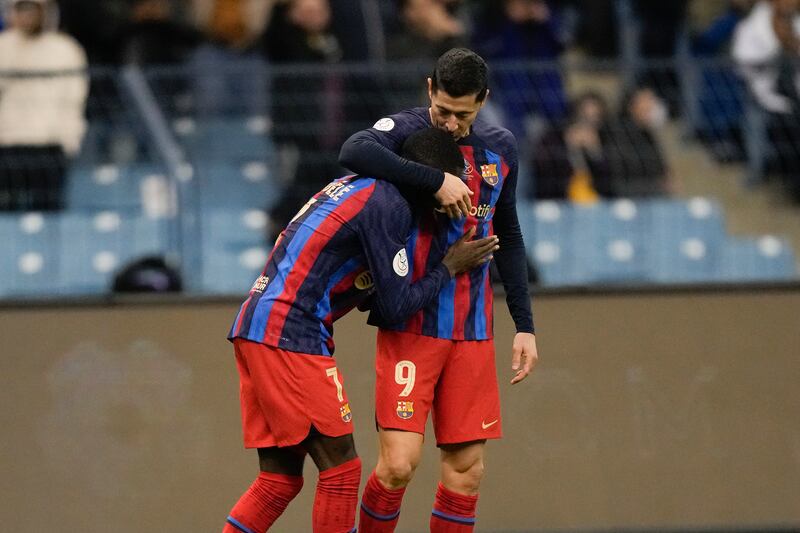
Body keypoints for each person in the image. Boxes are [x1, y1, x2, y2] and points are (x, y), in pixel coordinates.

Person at [222, 127, 500, 533]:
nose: (453, 198)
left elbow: (353, 275)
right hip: (290, 332)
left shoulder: (357, 187)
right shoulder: (389, 205)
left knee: (279, 481)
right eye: (449, 186)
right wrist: (448, 267)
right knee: (342, 470)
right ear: (430, 178)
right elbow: (394, 308)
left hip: (255, 326)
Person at [338, 47, 538, 532]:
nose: (450, 124)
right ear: (429, 89)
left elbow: (507, 235)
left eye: (463, 114)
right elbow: (352, 152)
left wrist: (525, 326)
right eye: (443, 110)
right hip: (413, 320)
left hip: (473, 329)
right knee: (399, 464)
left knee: (467, 473)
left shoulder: (500, 148)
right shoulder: (405, 130)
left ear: (483, 101)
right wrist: (437, 180)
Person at [0, 0, 88, 211]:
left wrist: (70, 137)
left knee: (48, 209)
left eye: (32, 10)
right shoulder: (4, 47)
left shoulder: (65, 49)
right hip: (7, 144)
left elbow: (75, 97)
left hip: (49, 145)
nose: (27, 16)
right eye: (21, 10)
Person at [732, 0, 800, 197]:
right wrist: (774, 56)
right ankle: (756, 170)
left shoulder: (796, 23)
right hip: (763, 90)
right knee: (755, 114)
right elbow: (742, 61)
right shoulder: (751, 26)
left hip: (794, 94)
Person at [603, 86, 674, 197]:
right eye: (647, 101)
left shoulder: (647, 133)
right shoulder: (616, 130)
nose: (652, 105)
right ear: (632, 106)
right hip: (626, 194)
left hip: (648, 193)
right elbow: (622, 171)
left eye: (653, 100)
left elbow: (661, 168)